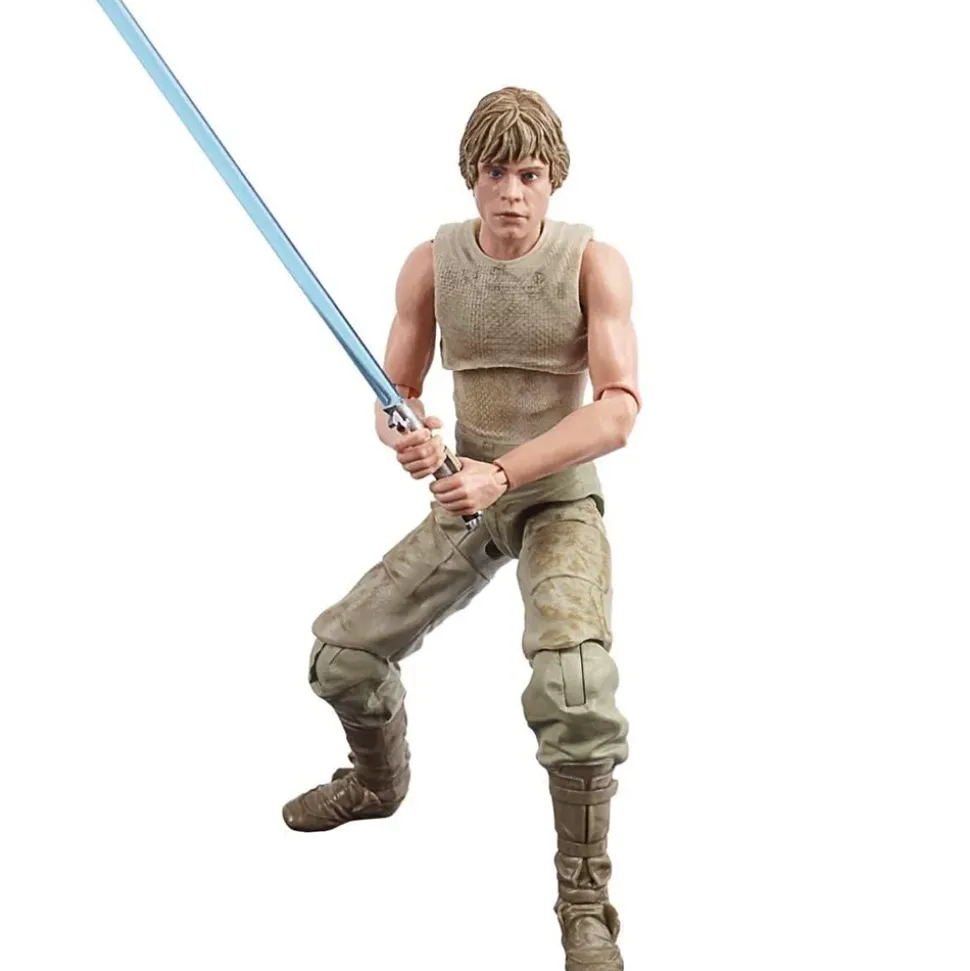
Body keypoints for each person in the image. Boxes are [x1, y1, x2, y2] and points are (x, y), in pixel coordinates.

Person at [283, 86, 640, 971]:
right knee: (343, 656)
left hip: (555, 500)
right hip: (464, 493)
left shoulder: (593, 264)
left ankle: (585, 901)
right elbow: (395, 392)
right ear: (470, 177)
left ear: (554, 180)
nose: (512, 192)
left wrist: (507, 472)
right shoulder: (431, 265)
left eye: (530, 174)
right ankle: (376, 782)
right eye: (495, 172)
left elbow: (618, 411)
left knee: (575, 687)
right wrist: (405, 433)